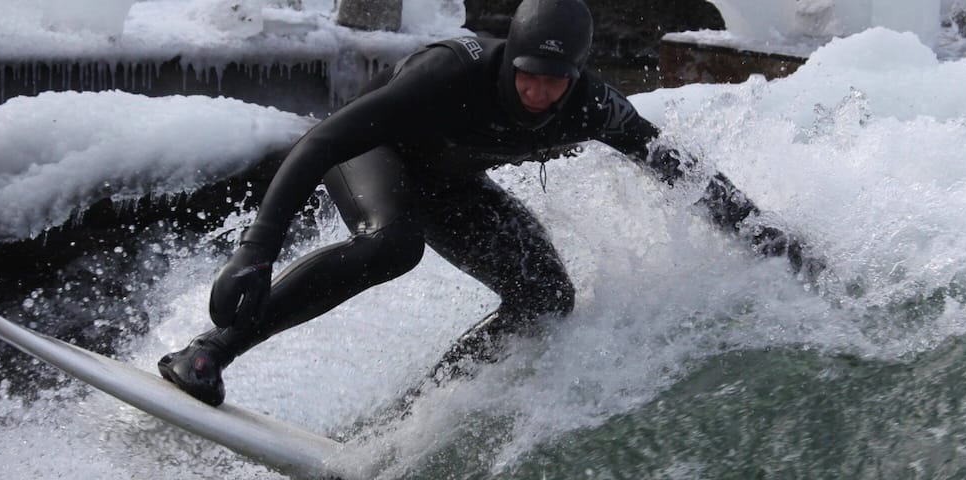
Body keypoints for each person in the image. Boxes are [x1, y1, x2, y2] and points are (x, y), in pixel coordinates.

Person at [158, 0, 816, 407]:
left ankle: (414, 417)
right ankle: (209, 352)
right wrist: (256, 251)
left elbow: (677, 167)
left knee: (546, 296)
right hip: (372, 153)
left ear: (577, 74)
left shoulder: (592, 105)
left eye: (554, 81)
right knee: (393, 245)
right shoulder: (452, 71)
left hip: (450, 183)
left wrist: (765, 235)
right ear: (511, 59)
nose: (537, 92)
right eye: (527, 74)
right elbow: (323, 139)